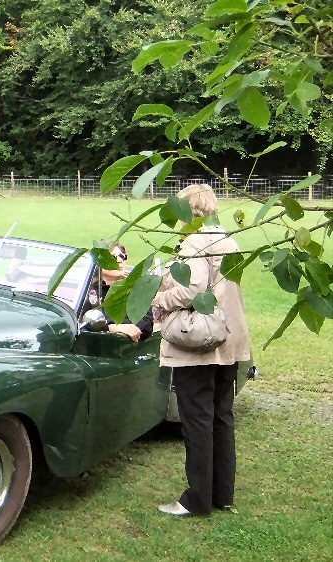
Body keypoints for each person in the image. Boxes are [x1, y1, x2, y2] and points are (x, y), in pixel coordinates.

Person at [153, 183, 251, 517]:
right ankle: (221, 494)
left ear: (188, 211)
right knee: (221, 417)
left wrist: (159, 300)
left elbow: (192, 289)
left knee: (197, 420)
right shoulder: (229, 240)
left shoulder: (195, 242)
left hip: (201, 343)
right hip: (230, 342)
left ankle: (196, 500)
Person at [102, 242, 154, 342]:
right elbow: (86, 323)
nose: (120, 260)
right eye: (114, 257)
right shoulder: (90, 289)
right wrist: (112, 327)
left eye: (122, 256)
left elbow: (147, 323)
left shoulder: (136, 289)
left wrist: (129, 328)